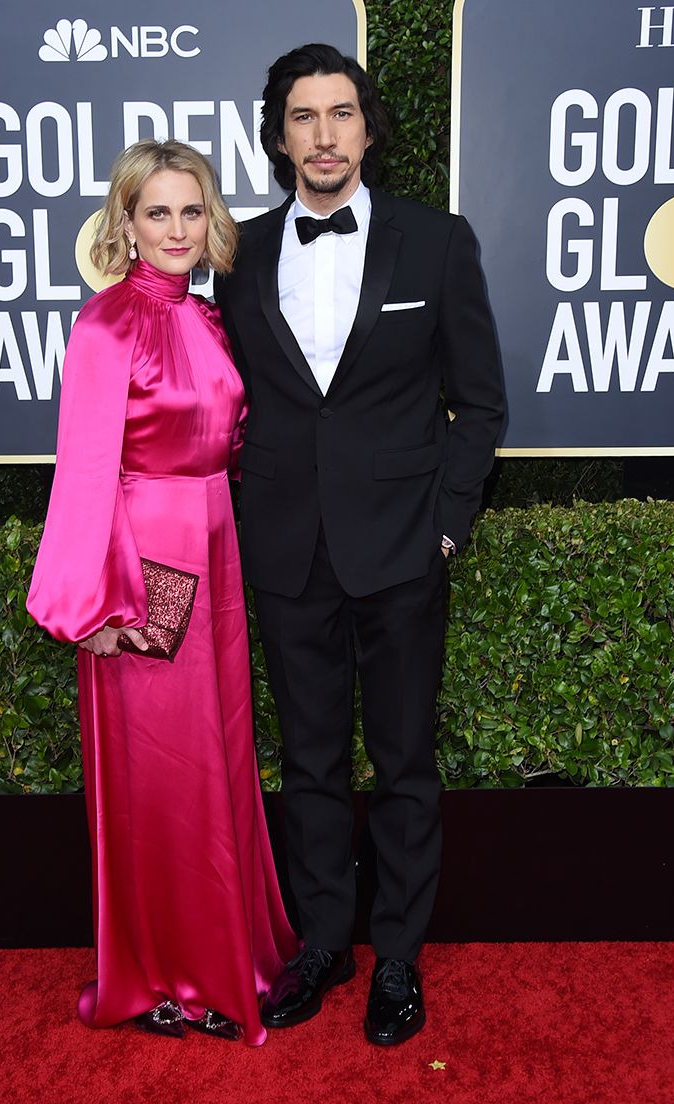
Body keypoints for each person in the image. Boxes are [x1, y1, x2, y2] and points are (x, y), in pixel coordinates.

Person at [215, 44, 504, 1046]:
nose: (325, 134)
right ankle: (323, 945)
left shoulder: (436, 242)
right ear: (279, 136)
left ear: (368, 128)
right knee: (308, 763)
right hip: (287, 547)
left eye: (341, 113)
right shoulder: (238, 254)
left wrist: (447, 523)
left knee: (403, 761)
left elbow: (478, 401)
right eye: (303, 116)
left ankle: (398, 960)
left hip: (401, 548)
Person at [27, 138, 298, 1047]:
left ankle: (225, 957)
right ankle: (163, 977)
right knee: (161, 773)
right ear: (127, 222)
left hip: (213, 547)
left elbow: (233, 437)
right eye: (158, 213)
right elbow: (84, 472)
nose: (177, 229)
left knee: (217, 755)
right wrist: (95, 606)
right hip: (144, 565)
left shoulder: (209, 319)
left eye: (192, 210)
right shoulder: (106, 325)